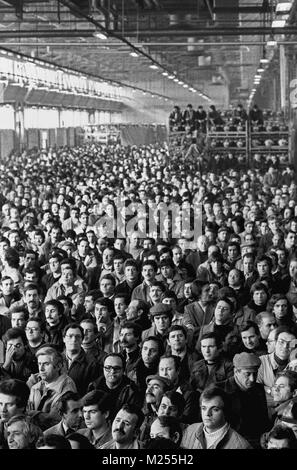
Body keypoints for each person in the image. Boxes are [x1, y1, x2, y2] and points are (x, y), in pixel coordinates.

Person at [220, 351, 270, 448]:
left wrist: (264, 435)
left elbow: (263, 422)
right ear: (235, 372)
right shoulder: (220, 391)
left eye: (255, 374)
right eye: (247, 374)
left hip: (256, 442)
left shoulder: (258, 389)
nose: (252, 379)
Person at [180, 386, 252, 449]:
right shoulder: (189, 431)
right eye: (204, 408)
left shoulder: (241, 446)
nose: (207, 414)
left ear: (225, 412)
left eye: (215, 409)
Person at [27, 346, 77, 429]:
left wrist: (32, 414)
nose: (41, 369)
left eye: (46, 364)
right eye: (39, 364)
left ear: (58, 366)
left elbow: (54, 421)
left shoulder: (67, 388)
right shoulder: (35, 387)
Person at [88, 353, 142, 421]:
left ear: (123, 370)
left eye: (117, 368)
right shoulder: (93, 386)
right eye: (108, 368)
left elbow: (131, 419)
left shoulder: (132, 390)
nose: (112, 371)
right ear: (103, 369)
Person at [62, 323, 100, 397]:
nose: (74, 339)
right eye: (70, 336)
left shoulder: (92, 364)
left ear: (82, 339)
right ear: (64, 339)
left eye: (78, 336)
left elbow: (92, 393)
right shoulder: (56, 360)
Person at [0, 379, 30, 449]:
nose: (3, 410)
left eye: (9, 404)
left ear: (22, 406)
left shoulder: (33, 431)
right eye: (0, 404)